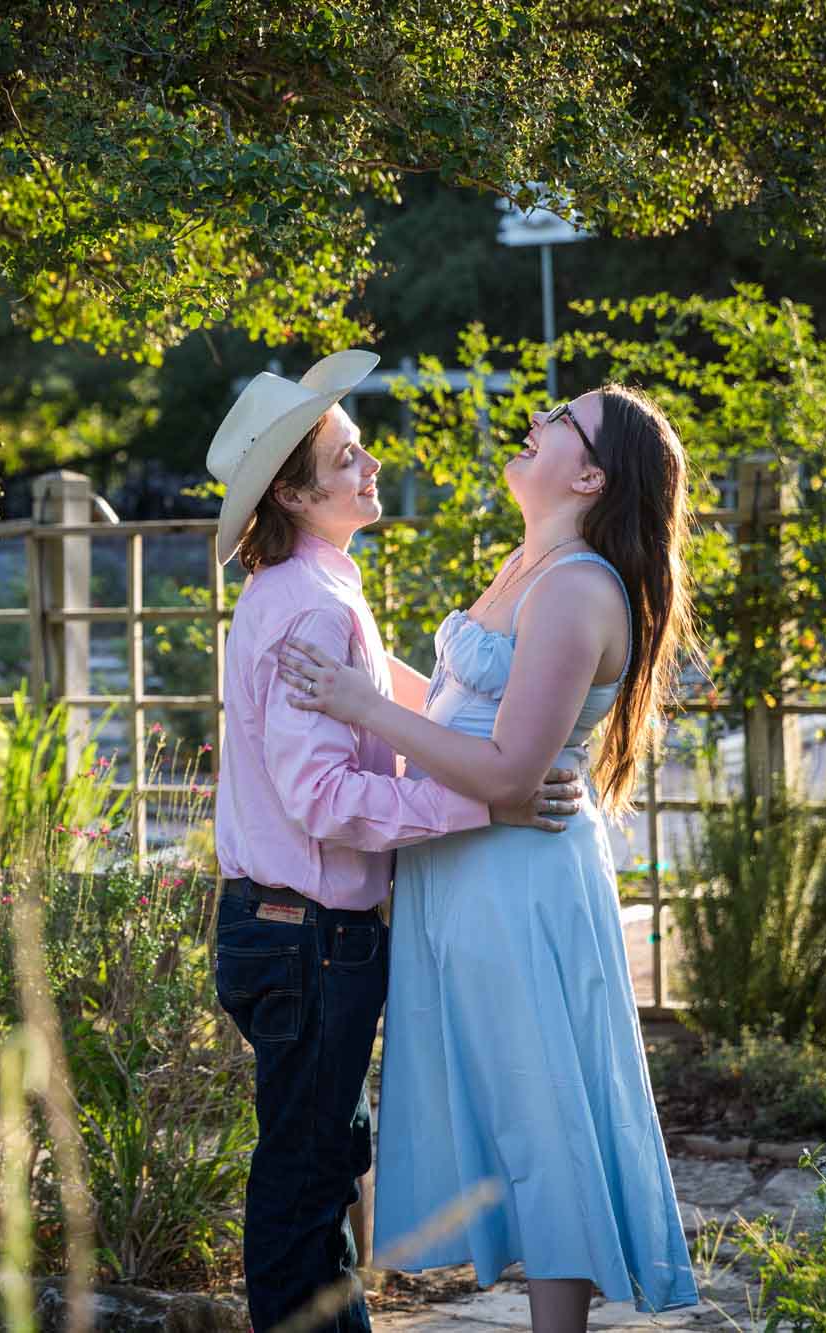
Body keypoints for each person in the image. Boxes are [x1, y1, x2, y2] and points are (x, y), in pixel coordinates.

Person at [277, 386, 703, 1331]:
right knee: (511, 1099)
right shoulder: (528, 563)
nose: (538, 421)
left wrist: (360, 705)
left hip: (520, 878)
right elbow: (466, 710)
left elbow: (513, 770)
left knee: (542, 1107)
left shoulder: (580, 587)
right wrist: (360, 664)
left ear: (589, 473)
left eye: (561, 418)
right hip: (465, 870)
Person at [205, 350, 584, 1333]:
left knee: (321, 1161)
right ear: (292, 492)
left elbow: (392, 702)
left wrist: (493, 747)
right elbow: (325, 798)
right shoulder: (307, 606)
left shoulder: (321, 589)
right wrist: (483, 802)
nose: (369, 466)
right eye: (346, 459)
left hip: (295, 932)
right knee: (304, 1175)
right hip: (304, 933)